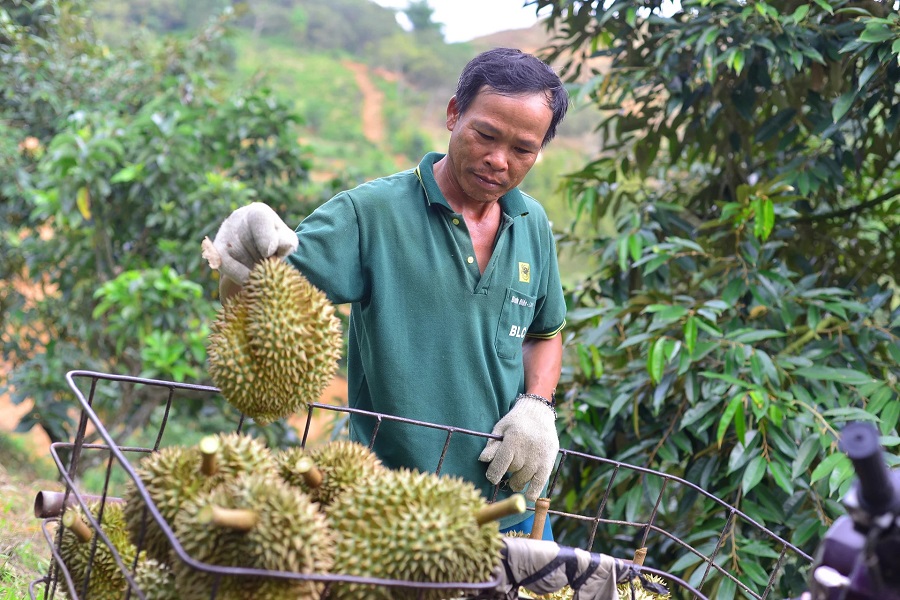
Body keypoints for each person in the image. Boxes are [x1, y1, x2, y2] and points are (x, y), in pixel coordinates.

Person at [208, 47, 569, 537]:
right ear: (453, 114)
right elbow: (261, 301)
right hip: (393, 515)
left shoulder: (533, 223)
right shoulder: (370, 214)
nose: (498, 160)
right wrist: (239, 258)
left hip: (511, 512)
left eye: (523, 150)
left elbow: (543, 333)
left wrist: (538, 407)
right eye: (485, 135)